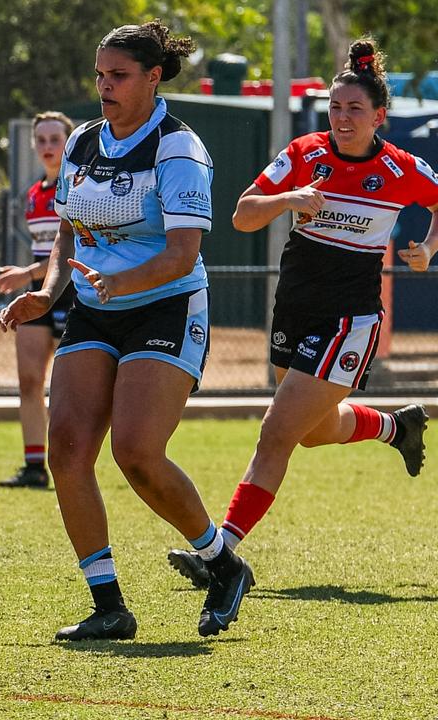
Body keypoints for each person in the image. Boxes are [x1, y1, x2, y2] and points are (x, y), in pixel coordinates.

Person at [0, 21, 253, 641]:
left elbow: (181, 252)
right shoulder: (84, 141)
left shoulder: (178, 149)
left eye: (119, 76)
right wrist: (46, 292)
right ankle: (108, 604)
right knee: (68, 452)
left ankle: (222, 563)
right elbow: (66, 232)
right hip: (94, 305)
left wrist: (122, 284)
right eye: (100, 74)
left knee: (136, 452)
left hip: (165, 306)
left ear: (153, 77)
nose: (104, 86)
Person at [167, 39, 438, 589]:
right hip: (294, 308)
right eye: (335, 108)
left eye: (354, 109)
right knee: (312, 432)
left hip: (350, 318)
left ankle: (221, 555)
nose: (342, 118)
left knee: (275, 434)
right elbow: (243, 216)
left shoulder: (400, 168)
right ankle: (395, 427)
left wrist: (429, 248)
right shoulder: (304, 154)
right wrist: (290, 200)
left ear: (379, 117)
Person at [0, 111, 77, 489]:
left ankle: (72, 463)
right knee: (29, 381)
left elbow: (69, 254)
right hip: (37, 292)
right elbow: (47, 249)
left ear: (68, 141)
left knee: (68, 387)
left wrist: (27, 274)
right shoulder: (33, 194)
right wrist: (29, 273)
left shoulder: (78, 187)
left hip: (69, 292)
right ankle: (33, 466)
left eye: (54, 139)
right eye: (41, 140)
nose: (47, 147)